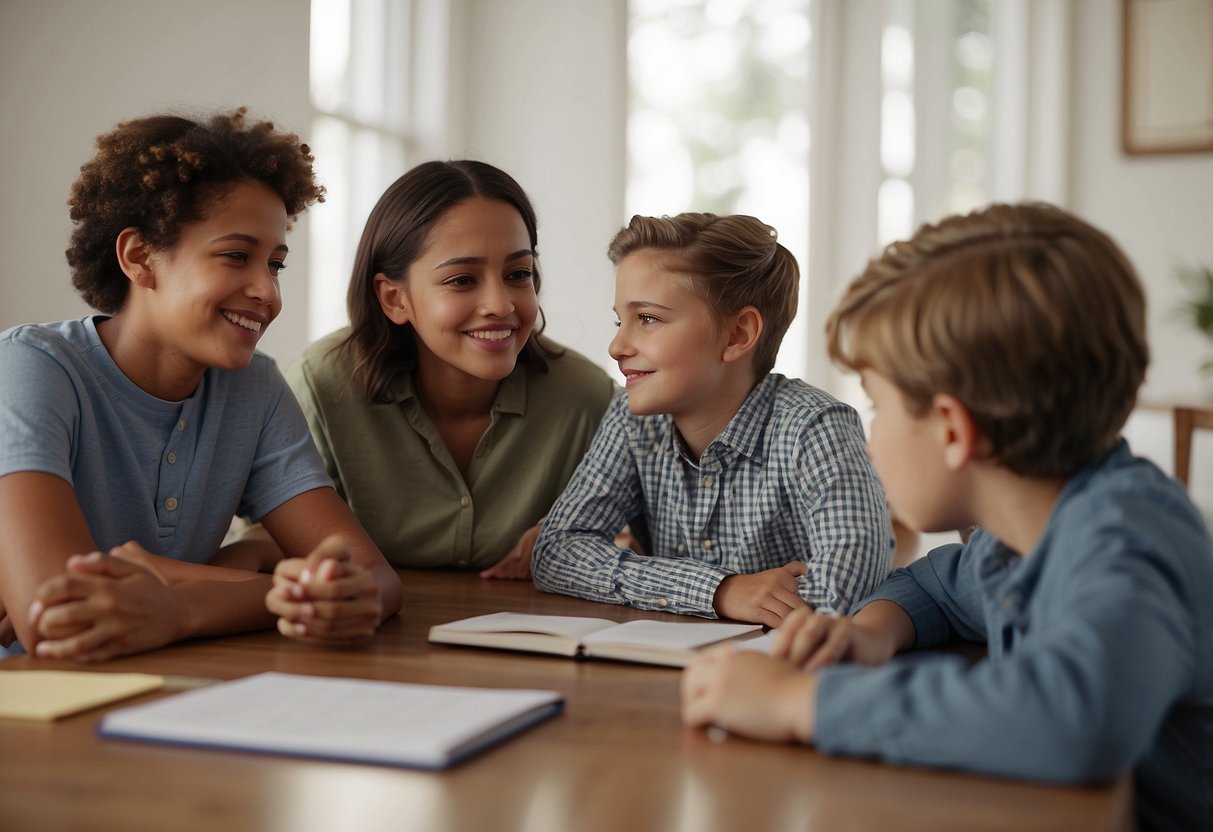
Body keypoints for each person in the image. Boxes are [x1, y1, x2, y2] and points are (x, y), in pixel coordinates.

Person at [680, 202, 1213, 832]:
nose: (871, 437)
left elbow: (1071, 721)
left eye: (878, 406)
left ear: (954, 430)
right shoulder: (1024, 533)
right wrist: (871, 632)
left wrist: (805, 703)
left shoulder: (1127, 541)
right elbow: (933, 584)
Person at [0, 108, 403, 661]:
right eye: (236, 256)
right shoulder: (33, 366)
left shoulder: (253, 388)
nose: (267, 291)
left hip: (165, 691)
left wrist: (177, 598)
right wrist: (256, 584)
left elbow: (375, 584)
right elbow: (55, 621)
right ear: (139, 257)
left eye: (276, 264)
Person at [532, 213, 893, 626]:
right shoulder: (632, 420)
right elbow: (556, 552)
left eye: (647, 318)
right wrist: (720, 591)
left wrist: (647, 579)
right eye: (620, 320)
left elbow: (844, 592)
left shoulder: (816, 428)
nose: (616, 346)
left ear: (738, 335)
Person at [283, 161, 616, 578]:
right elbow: (272, 542)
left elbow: (646, 530)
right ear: (394, 299)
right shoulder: (320, 386)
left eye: (518, 273)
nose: (500, 304)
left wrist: (602, 539)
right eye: (461, 280)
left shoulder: (587, 397)